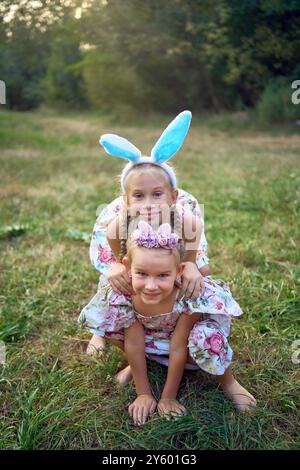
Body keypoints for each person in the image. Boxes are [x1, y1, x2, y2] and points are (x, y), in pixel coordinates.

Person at [80, 220, 257, 426]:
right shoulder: (125, 296)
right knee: (109, 320)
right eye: (142, 273)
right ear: (128, 266)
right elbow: (134, 342)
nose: (151, 286)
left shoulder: (187, 295)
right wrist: (143, 394)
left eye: (163, 275)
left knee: (206, 338)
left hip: (185, 346)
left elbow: (179, 344)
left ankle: (229, 382)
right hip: (150, 341)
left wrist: (168, 397)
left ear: (179, 271)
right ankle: (140, 364)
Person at [82, 111, 211, 355]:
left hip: (173, 262)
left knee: (202, 275)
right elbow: (117, 259)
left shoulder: (185, 217)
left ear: (173, 197)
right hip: (136, 266)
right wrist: (117, 267)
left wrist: (192, 265)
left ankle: (174, 326)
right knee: (116, 282)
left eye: (157, 194)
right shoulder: (119, 223)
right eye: (139, 196)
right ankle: (102, 332)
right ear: (127, 200)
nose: (149, 203)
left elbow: (195, 241)